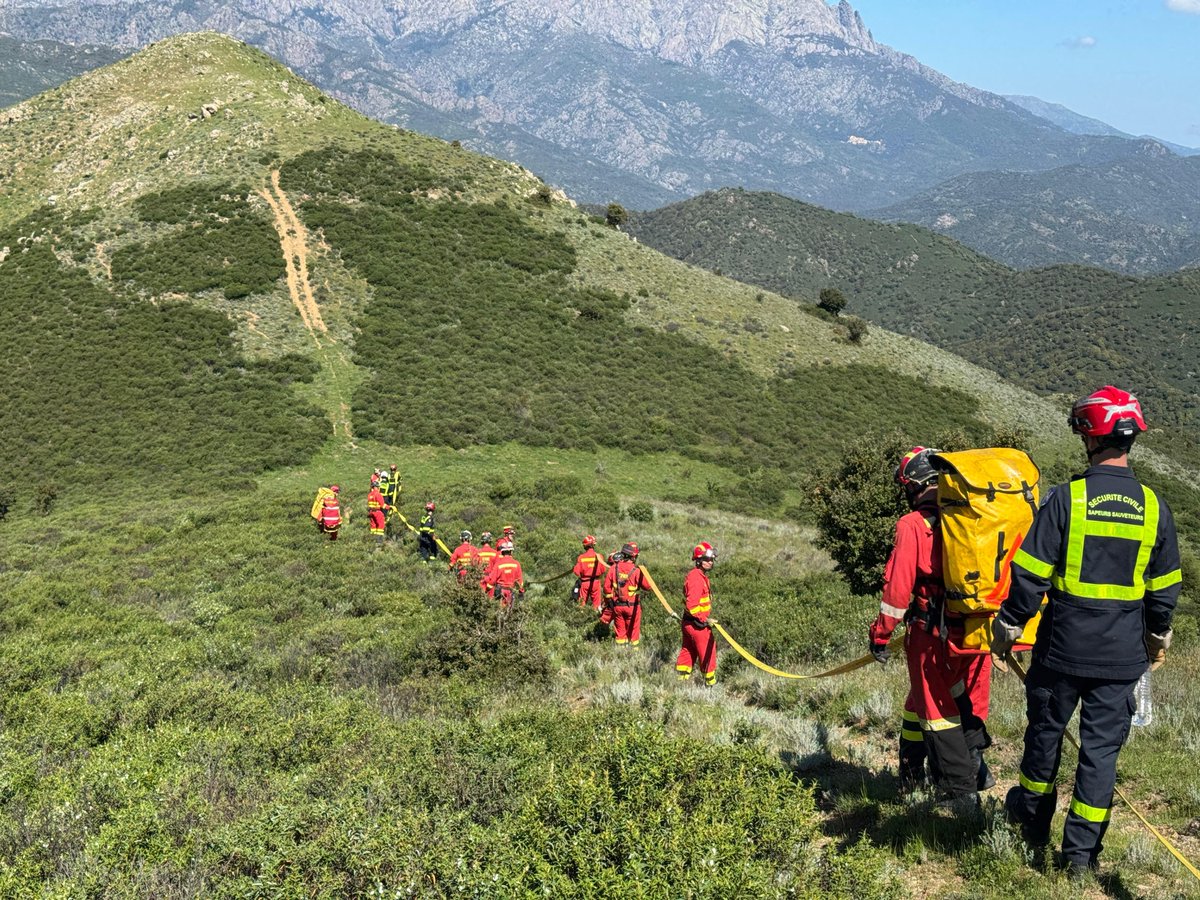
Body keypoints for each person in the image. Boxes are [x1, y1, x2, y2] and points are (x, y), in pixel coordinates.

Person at [991, 386, 1181, 877]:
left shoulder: (1066, 499)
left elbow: (1030, 574)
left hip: (1061, 652)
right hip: (1121, 659)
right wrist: (1157, 639)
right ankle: (1079, 860)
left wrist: (1009, 624)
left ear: (1090, 437)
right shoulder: (1155, 507)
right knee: (1100, 758)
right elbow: (1163, 592)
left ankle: (1030, 827)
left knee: (1045, 738)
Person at [868, 447, 993, 804]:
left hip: (933, 635)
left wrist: (881, 635)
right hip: (977, 630)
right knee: (966, 704)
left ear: (915, 485)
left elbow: (896, 589)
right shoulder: (975, 514)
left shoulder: (913, 525)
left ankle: (959, 794)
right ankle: (976, 772)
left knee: (939, 715)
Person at [676, 542, 718, 685]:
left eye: (712, 559)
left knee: (688, 651)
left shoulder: (698, 575)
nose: (710, 562)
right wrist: (705, 620)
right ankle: (710, 685)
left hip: (689, 623)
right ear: (699, 560)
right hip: (697, 625)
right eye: (707, 559)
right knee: (708, 652)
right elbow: (692, 605)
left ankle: (681, 682)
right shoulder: (696, 578)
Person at [602, 542, 646, 646]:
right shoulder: (637, 571)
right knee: (633, 633)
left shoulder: (614, 568)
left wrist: (609, 602)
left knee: (620, 634)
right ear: (634, 556)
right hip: (633, 608)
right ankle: (634, 654)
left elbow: (606, 589)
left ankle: (620, 653)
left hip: (617, 607)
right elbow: (647, 587)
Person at [482, 539, 525, 608]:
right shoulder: (517, 564)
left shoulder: (498, 564)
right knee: (510, 612)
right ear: (511, 552)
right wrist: (521, 592)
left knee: (500, 613)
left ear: (502, 552)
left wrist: (487, 589)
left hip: (500, 593)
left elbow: (492, 580)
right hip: (511, 592)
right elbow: (520, 582)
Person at [572, 534, 608, 610]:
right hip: (596, 583)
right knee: (597, 605)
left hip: (584, 583)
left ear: (585, 546)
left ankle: (581, 617)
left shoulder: (581, 557)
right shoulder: (599, 556)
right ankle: (596, 618)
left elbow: (576, 572)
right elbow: (603, 570)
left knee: (581, 604)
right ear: (593, 545)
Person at [366, 479, 390, 548]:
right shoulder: (378, 494)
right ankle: (379, 542)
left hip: (371, 512)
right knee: (380, 526)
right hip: (378, 512)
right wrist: (389, 507)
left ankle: (372, 540)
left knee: (373, 526)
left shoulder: (369, 495)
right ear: (376, 487)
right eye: (378, 487)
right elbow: (383, 505)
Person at [381, 464, 402, 538]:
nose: (392, 471)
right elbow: (388, 485)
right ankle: (387, 521)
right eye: (391, 470)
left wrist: (398, 491)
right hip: (389, 495)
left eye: (393, 470)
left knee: (392, 508)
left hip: (395, 494)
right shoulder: (389, 476)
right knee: (388, 508)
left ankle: (390, 520)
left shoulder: (397, 474)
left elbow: (399, 482)